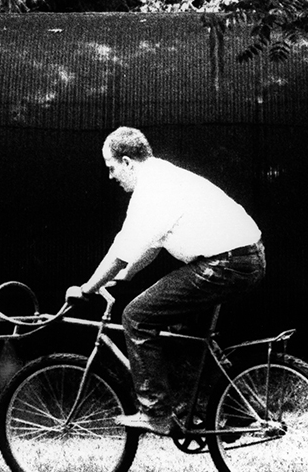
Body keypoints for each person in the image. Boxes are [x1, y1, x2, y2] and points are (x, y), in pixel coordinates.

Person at [65, 127, 265, 435]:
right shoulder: (165, 176)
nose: (110, 177)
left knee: (136, 316)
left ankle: (155, 411)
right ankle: (237, 409)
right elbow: (149, 246)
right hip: (244, 258)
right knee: (181, 333)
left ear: (128, 162)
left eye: (111, 168)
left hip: (225, 262)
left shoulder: (152, 189)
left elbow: (121, 249)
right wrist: (124, 276)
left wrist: (87, 288)